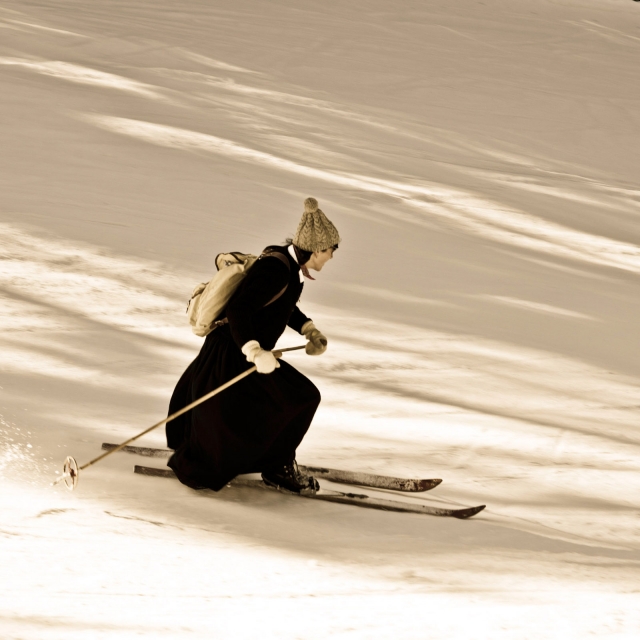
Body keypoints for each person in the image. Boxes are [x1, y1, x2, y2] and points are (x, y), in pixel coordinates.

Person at [166, 197, 340, 495]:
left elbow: (280, 304)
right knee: (303, 397)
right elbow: (239, 311)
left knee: (285, 402)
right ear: (313, 250)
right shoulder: (276, 268)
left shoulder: (289, 266)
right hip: (231, 355)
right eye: (328, 251)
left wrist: (308, 329)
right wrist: (254, 350)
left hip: (245, 353)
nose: (330, 258)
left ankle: (275, 462)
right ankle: (277, 468)